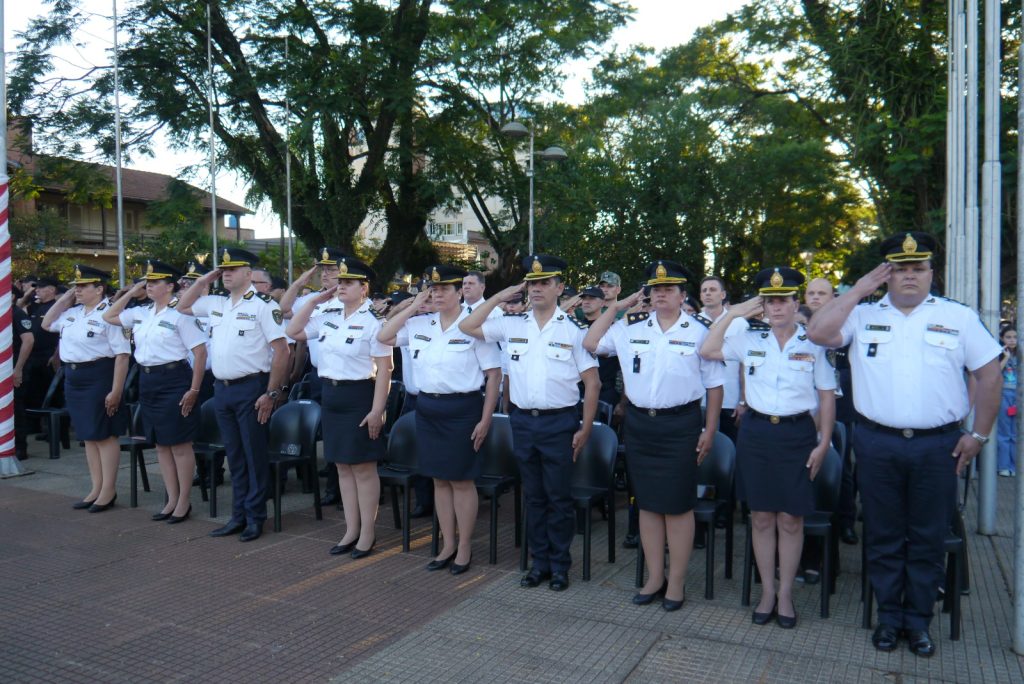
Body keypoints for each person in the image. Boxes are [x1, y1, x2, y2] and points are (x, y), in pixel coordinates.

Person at [807, 231, 1002, 656]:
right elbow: (818, 333)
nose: (910, 277)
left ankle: (918, 622)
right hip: (878, 443)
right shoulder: (861, 315)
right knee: (883, 532)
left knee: (928, 535)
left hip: (939, 446)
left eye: (918, 269)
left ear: (933, 273)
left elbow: (990, 376)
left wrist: (979, 436)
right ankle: (888, 618)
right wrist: (858, 289)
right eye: (900, 270)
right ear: (886, 275)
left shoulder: (959, 317)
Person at [583, 260, 724, 611]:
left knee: (677, 506)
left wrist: (711, 428)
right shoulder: (629, 328)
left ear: (681, 295)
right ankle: (654, 577)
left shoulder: (699, 330)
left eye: (668, 289)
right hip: (641, 425)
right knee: (646, 504)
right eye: (655, 289)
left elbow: (715, 384)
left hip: (681, 425)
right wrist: (616, 306)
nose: (661, 294)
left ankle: (676, 582)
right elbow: (591, 341)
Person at [701, 266, 836, 630]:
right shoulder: (749, 339)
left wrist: (824, 442)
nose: (777, 307)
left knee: (791, 520)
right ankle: (768, 591)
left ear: (796, 304)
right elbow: (708, 348)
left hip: (796, 435)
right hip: (757, 434)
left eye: (784, 301)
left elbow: (826, 395)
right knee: (760, 517)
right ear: (763, 306)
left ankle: (787, 593)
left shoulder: (814, 343)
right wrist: (736, 311)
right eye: (770, 301)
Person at [460, 254, 600, 591]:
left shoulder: (572, 331)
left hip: (559, 423)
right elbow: (468, 326)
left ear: (560, 287)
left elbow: (593, 383)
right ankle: (539, 563)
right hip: (523, 421)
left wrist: (584, 427)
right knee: (533, 496)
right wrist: (498, 295)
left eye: (543, 283)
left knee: (558, 497)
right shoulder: (512, 324)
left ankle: (560, 565)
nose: (536, 289)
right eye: (532, 283)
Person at [378, 264, 501, 574]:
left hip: (463, 410)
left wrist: (486, 419)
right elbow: (384, 335)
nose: (438, 293)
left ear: (460, 292)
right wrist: (412, 307)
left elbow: (494, 375)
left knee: (461, 481)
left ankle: (464, 546)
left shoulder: (472, 326)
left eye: (445, 288)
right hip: (428, 409)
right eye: (433, 289)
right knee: (439, 480)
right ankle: (447, 543)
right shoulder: (421, 324)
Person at [176, 248, 289, 542]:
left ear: (248, 274)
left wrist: (272, 392)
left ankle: (255, 517)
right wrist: (204, 280)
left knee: (254, 456)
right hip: (222, 388)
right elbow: (182, 306)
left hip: (252, 388)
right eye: (223, 270)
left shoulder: (264, 305)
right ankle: (237, 515)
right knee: (234, 457)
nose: (226, 273)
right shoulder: (216, 303)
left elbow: (282, 351)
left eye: (233, 269)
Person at [286, 255, 393, 558]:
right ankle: (351, 529)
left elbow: (385, 369)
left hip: (360, 396)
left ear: (364, 288)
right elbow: (293, 331)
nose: (341, 286)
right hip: (330, 396)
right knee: (342, 466)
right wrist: (315, 300)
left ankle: (368, 533)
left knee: (363, 467)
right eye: (340, 281)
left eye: (349, 282)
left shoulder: (374, 322)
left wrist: (377, 410)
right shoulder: (328, 316)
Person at [102, 259, 208, 523]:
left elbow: (200, 352)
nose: (149, 286)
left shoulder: (181, 314)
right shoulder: (142, 312)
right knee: (161, 444)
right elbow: (109, 316)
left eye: (155, 282)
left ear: (170, 286)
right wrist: (130, 292)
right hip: (148, 381)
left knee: (180, 444)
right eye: (147, 282)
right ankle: (170, 499)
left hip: (174, 379)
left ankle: (184, 501)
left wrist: (194, 389)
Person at [42, 265, 131, 511]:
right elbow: (47, 323)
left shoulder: (110, 315)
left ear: (100, 289)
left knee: (104, 434)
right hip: (74, 377)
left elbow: (122, 355)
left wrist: (116, 390)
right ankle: (96, 487)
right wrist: (69, 296)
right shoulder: (73, 313)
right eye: (76, 286)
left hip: (99, 375)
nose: (77, 290)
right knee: (88, 436)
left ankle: (108, 490)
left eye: (83, 286)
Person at [279, 248, 346, 503]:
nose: (325, 275)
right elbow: (283, 309)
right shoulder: (314, 300)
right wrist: (299, 282)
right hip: (319, 374)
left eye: (331, 269)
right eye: (323, 270)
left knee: (339, 433)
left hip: (344, 376)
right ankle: (332, 487)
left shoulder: (347, 300)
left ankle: (338, 487)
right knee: (327, 432)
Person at [23, 276, 62, 437]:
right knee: (35, 393)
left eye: (40, 287)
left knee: (53, 395)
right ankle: (38, 427)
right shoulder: (36, 307)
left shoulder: (57, 308)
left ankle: (56, 431)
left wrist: (56, 355)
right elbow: (19, 304)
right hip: (35, 356)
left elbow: (62, 334)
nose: (37, 290)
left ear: (52, 289)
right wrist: (30, 291)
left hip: (49, 356)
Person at [12, 294, 35, 460]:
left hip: (14, 369)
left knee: (16, 411)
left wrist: (18, 369)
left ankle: (20, 448)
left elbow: (28, 340)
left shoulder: (17, 313)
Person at [997, 326, 1018, 477]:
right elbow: (995, 372)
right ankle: (1003, 465)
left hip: (1018, 396)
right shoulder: (999, 354)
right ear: (1002, 339)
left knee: (1016, 433)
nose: (1012, 340)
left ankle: (1015, 466)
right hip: (1004, 394)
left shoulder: (1021, 355)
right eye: (1008, 337)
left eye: (1014, 337)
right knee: (1004, 432)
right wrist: (1005, 358)